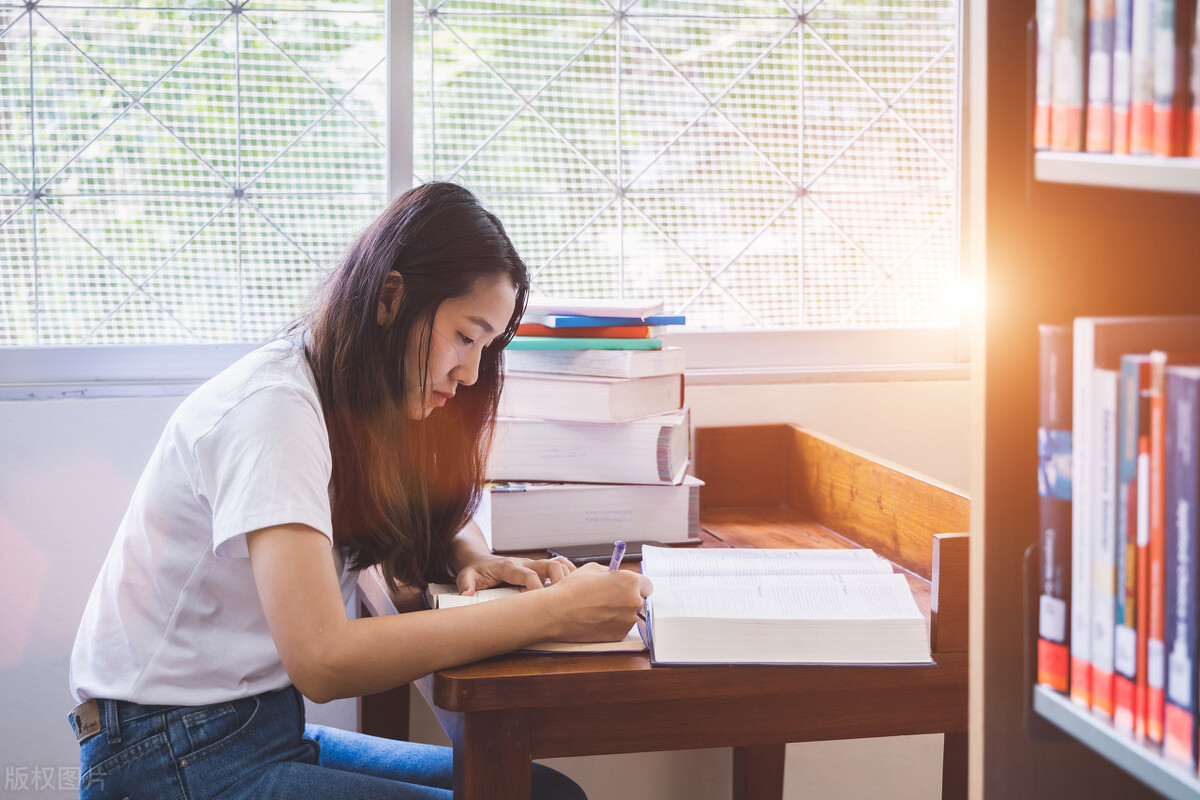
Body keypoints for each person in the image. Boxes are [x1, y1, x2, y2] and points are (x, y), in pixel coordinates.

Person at [68, 182, 652, 799]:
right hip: (169, 758)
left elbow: (434, 507)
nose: (472, 372)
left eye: (486, 347)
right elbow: (323, 659)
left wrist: (472, 557)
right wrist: (552, 611)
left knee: (546, 794)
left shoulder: (348, 394)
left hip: (252, 730)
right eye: (464, 336)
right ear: (391, 298)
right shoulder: (275, 413)